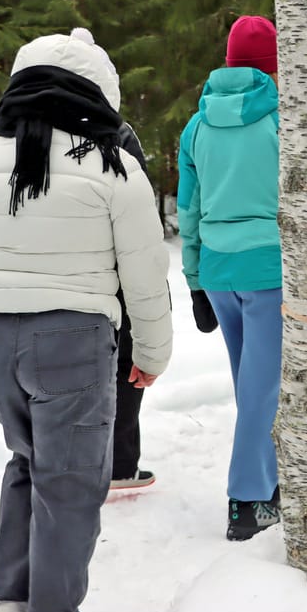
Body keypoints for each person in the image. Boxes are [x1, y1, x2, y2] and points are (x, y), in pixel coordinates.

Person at [0, 27, 173, 612]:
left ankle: (11, 599)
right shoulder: (113, 166)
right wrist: (151, 352)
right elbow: (145, 273)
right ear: (98, 91)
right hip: (71, 343)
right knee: (71, 486)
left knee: (28, 462)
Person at [178, 14, 283, 541]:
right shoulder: (283, 119)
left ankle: (269, 479)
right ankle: (248, 502)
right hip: (269, 269)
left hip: (220, 272)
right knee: (264, 390)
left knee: (252, 388)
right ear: (273, 68)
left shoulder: (196, 126)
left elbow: (189, 209)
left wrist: (195, 278)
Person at [109, 121, 176, 490]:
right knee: (126, 367)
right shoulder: (118, 133)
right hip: (119, 271)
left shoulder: (29, 133)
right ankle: (119, 466)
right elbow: (139, 208)